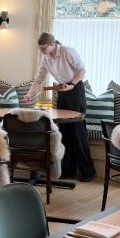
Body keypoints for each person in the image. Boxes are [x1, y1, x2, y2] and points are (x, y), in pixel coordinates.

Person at [24, 32, 95, 181]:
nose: (42, 51)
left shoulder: (67, 51)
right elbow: (39, 79)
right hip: (62, 90)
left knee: (77, 130)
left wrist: (72, 84)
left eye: (43, 48)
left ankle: (88, 172)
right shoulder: (45, 58)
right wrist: (30, 94)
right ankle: (68, 170)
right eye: (39, 49)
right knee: (64, 131)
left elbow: (82, 70)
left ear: (52, 44)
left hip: (75, 89)